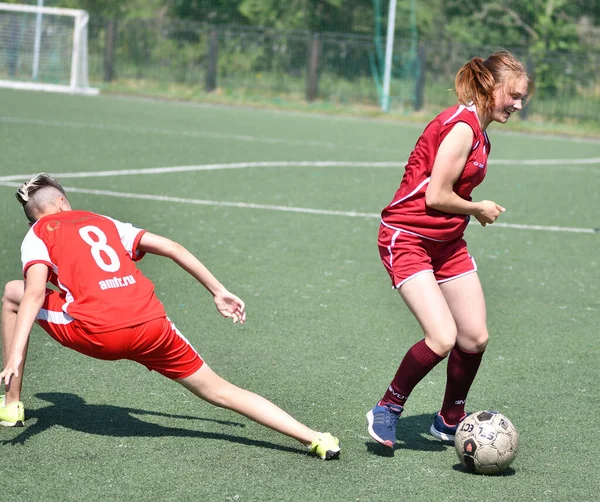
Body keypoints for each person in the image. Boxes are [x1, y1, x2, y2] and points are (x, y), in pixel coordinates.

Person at [0, 173, 340, 460]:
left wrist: (14, 355)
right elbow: (173, 248)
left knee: (12, 293)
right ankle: (314, 438)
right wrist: (218, 291)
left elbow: (33, 292)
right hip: (152, 326)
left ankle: (12, 402)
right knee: (221, 390)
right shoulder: (102, 221)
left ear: (36, 215)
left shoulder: (38, 233)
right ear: (62, 202)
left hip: (98, 333)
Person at [366, 50, 534, 449]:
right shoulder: (461, 127)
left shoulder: (481, 130)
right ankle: (387, 408)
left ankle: (448, 419)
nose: (518, 104)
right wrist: (477, 208)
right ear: (491, 88)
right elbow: (436, 196)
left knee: (474, 337)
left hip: (446, 243)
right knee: (442, 337)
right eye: (513, 95)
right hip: (407, 238)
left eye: (523, 97)